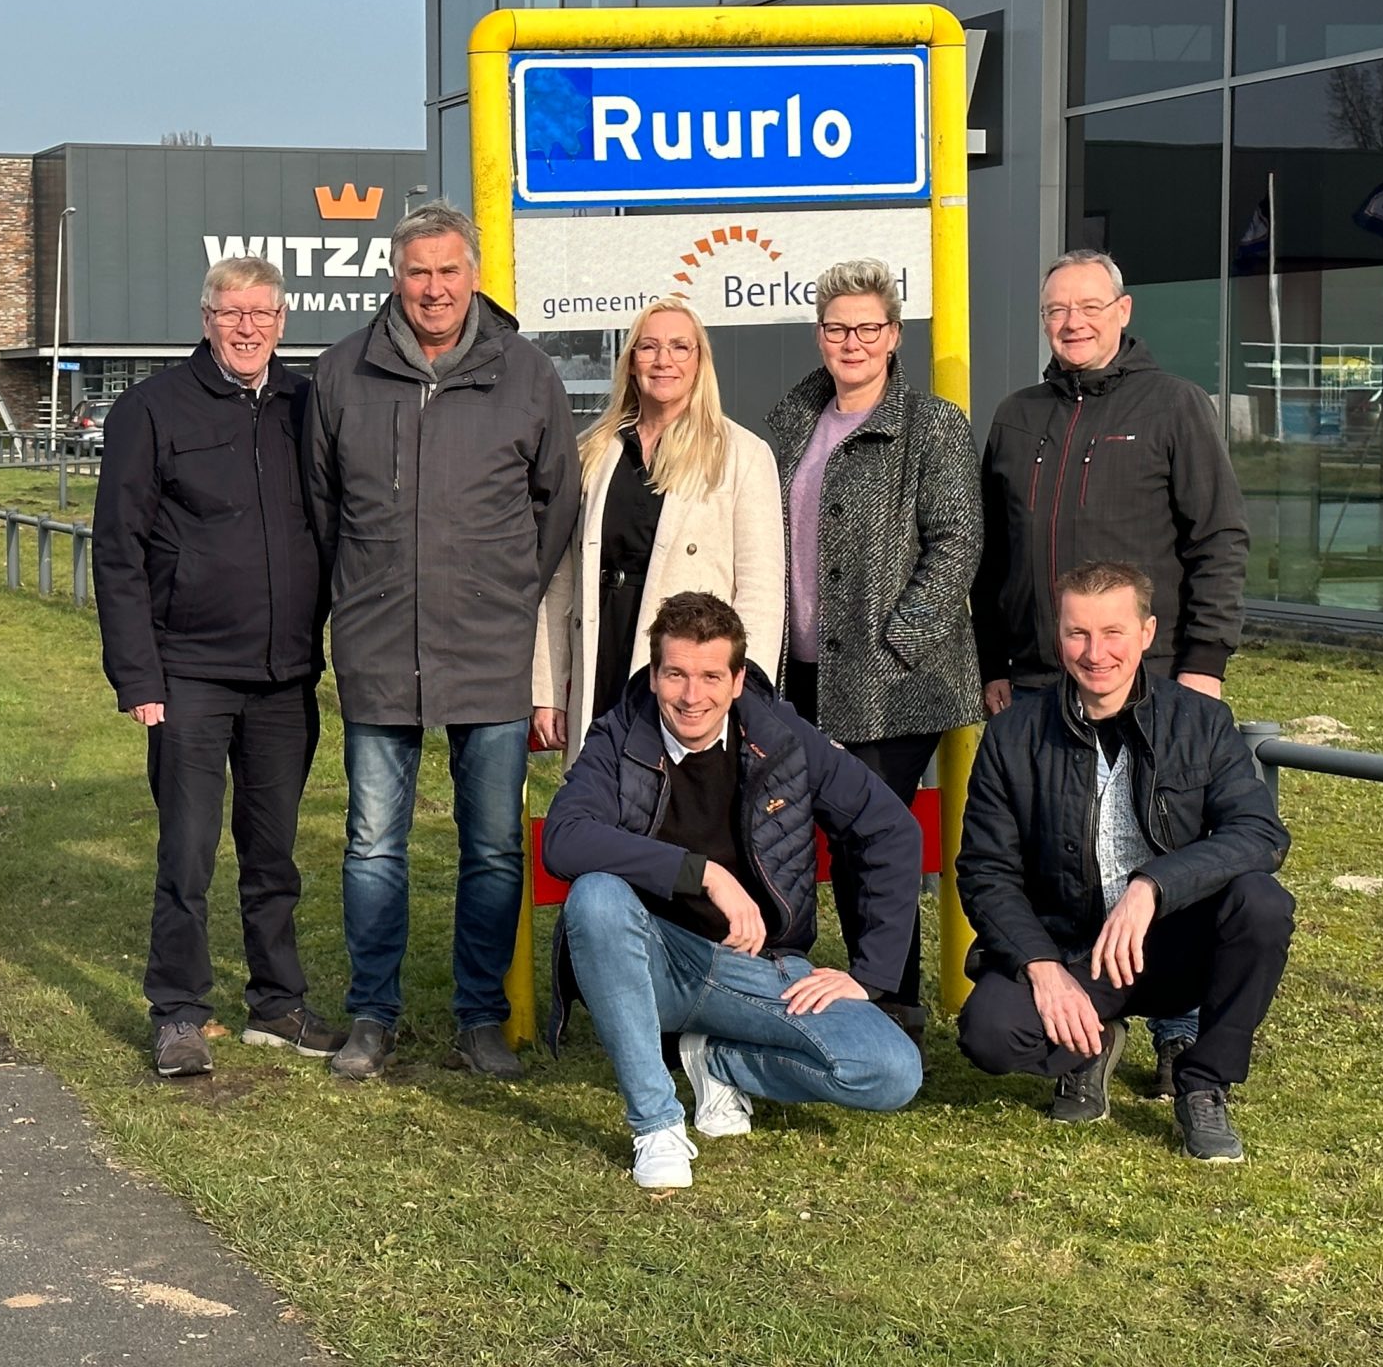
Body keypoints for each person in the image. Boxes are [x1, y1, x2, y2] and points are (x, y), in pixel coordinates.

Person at [305, 201, 580, 1081]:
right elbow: (322, 511)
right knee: (373, 842)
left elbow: (557, 504)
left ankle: (479, 1017)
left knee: (493, 844)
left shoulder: (526, 374)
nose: (434, 288)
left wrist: (504, 590)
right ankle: (372, 1015)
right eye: (418, 272)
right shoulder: (343, 373)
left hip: (489, 648)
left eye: (449, 272)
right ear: (397, 276)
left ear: (473, 276)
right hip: (380, 646)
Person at [973, 248, 1251, 1093]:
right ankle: (1085, 1026)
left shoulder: (1173, 406)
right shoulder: (1018, 416)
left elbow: (1218, 539)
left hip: (1152, 678)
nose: (1074, 322)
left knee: (1158, 847)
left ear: (1123, 311)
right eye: (1058, 309)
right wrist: (994, 659)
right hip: (1034, 677)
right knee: (1062, 857)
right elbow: (993, 557)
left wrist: (1203, 662)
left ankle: (1176, 1027)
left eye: (1090, 306)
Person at [543, 591, 923, 1190]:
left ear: (739, 679)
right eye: (675, 674)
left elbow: (891, 829)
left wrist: (869, 975)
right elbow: (563, 839)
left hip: (757, 970)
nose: (692, 696)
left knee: (891, 1070)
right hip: (653, 964)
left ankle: (718, 1061)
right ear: (655, 670)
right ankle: (657, 1125)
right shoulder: (619, 735)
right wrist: (703, 873)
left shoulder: (785, 738)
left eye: (710, 676)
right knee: (595, 897)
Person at [91, 255, 342, 1078]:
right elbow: (118, 551)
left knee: (273, 853)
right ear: (206, 319)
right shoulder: (152, 410)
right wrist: (139, 678)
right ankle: (178, 1011)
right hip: (189, 673)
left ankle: (278, 1004)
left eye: (262, 314)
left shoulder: (308, 405)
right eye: (232, 313)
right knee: (188, 851)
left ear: (281, 322)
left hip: (284, 677)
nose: (247, 328)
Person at [953, 561, 1293, 1162]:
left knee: (1262, 905)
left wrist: (1154, 886)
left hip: (1172, 945)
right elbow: (986, 872)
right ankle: (1089, 1046)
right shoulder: (1011, 736)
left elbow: (1259, 834)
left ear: (1146, 632)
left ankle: (1204, 1082)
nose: (1095, 653)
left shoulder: (1201, 720)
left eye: (1113, 632)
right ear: (1058, 638)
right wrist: (1041, 968)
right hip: (1069, 949)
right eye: (1077, 634)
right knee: (989, 1033)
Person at [766, 258, 981, 1042]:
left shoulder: (933, 425)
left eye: (866, 327)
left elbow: (957, 544)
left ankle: (891, 1005)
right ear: (818, 335)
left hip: (894, 680)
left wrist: (898, 644)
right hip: (803, 670)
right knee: (805, 832)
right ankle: (819, 991)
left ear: (893, 336)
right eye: (835, 327)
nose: (850, 341)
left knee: (875, 842)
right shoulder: (792, 421)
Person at [532, 295, 782, 759]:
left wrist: (744, 692)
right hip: (603, 648)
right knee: (603, 797)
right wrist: (548, 687)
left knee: (678, 805)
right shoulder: (594, 452)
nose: (663, 360)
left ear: (700, 362)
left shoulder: (742, 455)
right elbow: (562, 576)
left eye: (679, 348)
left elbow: (762, 591)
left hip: (688, 670)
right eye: (648, 347)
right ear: (630, 363)